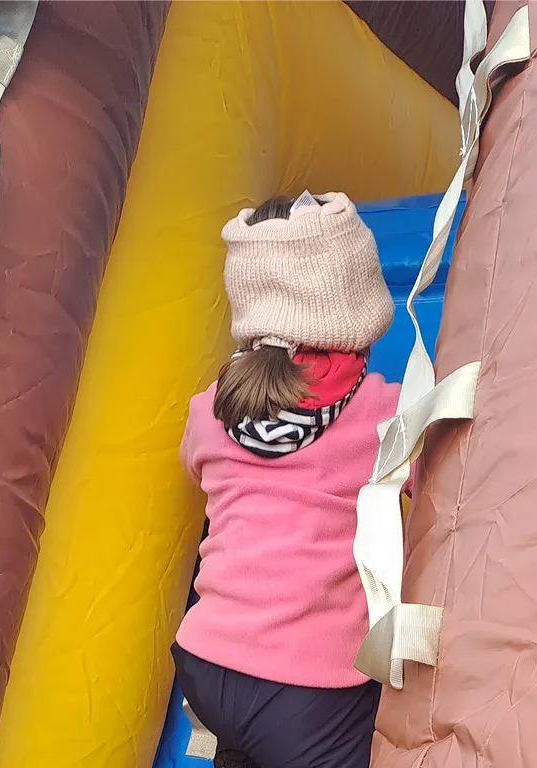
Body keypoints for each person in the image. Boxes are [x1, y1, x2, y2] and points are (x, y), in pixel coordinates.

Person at [172, 191, 411, 768]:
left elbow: (195, 466)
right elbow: (451, 478)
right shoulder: (385, 415)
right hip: (305, 689)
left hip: (204, 661)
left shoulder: (210, 409)